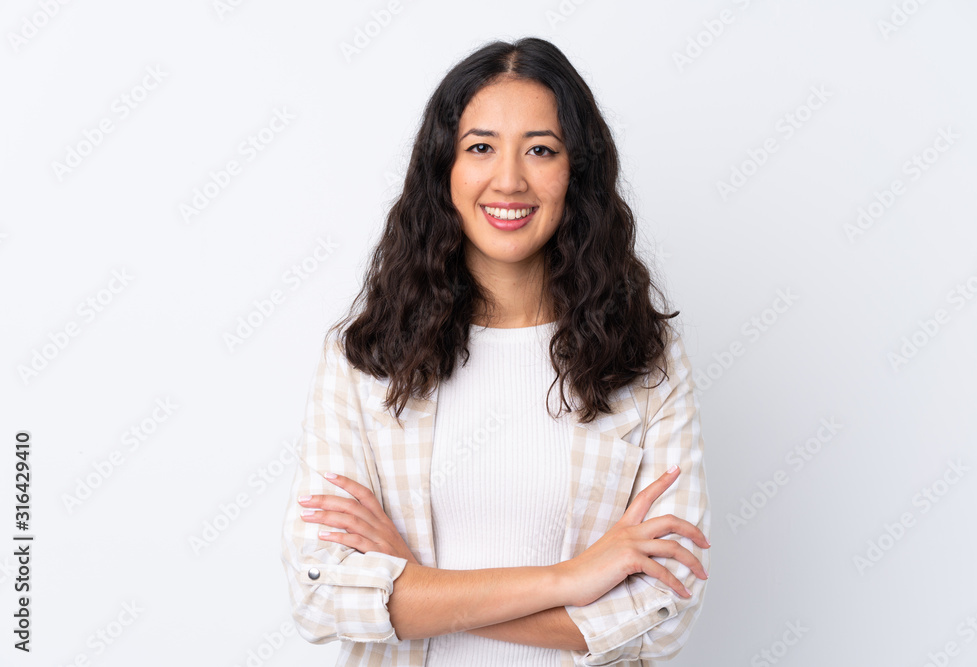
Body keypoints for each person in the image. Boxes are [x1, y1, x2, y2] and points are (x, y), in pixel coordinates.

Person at [279, 36, 711, 667]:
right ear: (443, 170)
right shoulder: (367, 359)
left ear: (576, 173)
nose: (509, 179)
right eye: (480, 147)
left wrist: (409, 581)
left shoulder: (646, 358)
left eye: (541, 150)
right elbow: (321, 598)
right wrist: (571, 579)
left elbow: (664, 614)